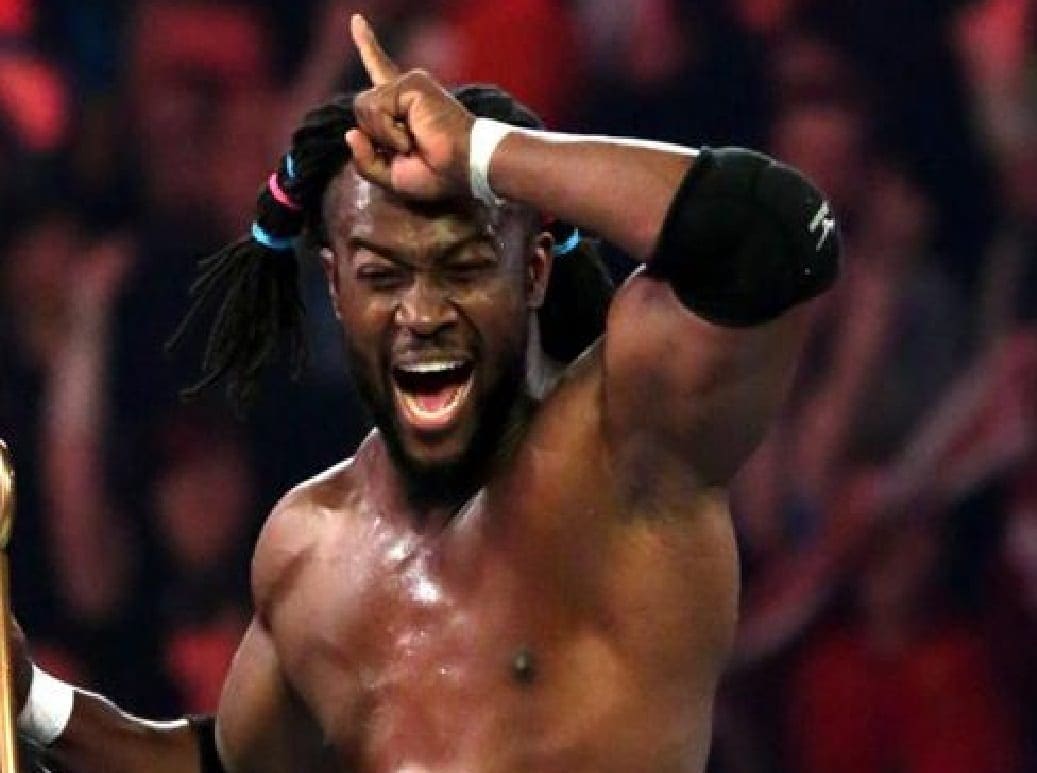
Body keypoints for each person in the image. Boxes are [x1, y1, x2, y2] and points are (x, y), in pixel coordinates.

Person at [10, 14, 839, 772]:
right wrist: (26, 698)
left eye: (465, 268)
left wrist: (481, 153)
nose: (422, 312)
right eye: (382, 275)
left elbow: (778, 237)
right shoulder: (309, 545)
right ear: (335, 289)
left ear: (534, 272)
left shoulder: (630, 453)